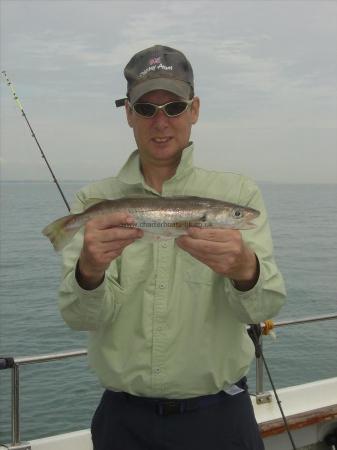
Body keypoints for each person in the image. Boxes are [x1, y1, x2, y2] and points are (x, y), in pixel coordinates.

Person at [59, 45, 286, 450]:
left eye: (174, 107)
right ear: (128, 114)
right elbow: (78, 317)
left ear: (194, 109)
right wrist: (88, 272)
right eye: (146, 109)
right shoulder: (94, 201)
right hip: (123, 424)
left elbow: (263, 309)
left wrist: (245, 271)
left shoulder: (237, 191)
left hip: (220, 420)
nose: (160, 122)